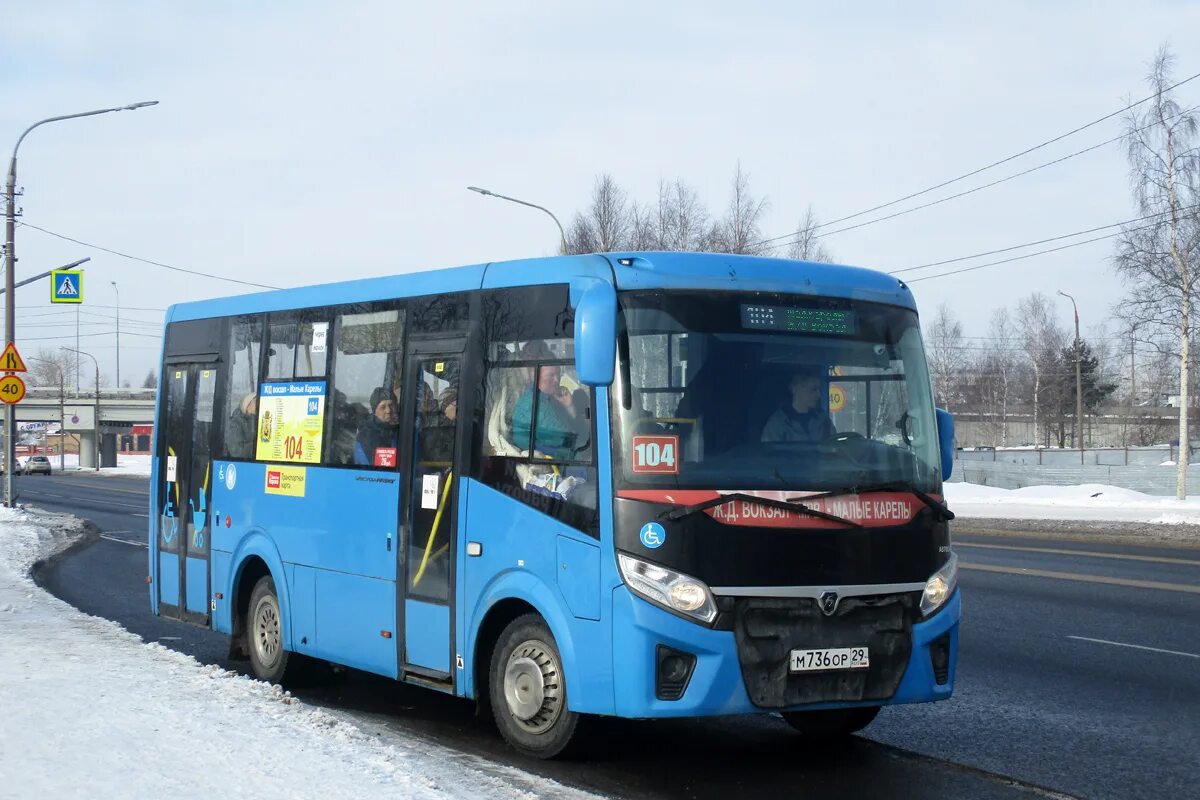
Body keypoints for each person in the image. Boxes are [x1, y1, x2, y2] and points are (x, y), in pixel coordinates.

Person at [511, 361, 583, 460]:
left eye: (558, 374)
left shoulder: (549, 398)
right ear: (536, 376)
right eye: (551, 375)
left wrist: (569, 406)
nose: (557, 380)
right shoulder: (536, 403)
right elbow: (569, 439)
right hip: (550, 461)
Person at [761, 371, 835, 443]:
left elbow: (836, 448)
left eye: (819, 390)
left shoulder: (824, 421)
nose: (819, 395)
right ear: (795, 389)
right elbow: (768, 454)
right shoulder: (777, 424)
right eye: (813, 389)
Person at [354, 387, 399, 465]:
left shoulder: (400, 429)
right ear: (375, 411)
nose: (388, 411)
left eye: (391, 405)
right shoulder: (368, 435)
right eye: (383, 407)